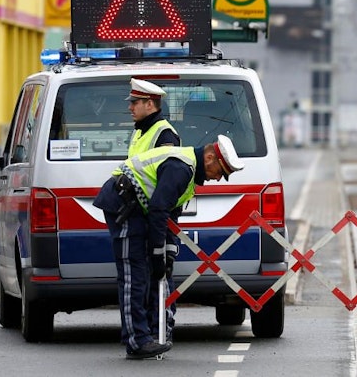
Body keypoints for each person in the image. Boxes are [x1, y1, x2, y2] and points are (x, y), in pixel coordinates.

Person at [93, 135, 245, 359]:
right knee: (133, 274)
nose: (219, 179)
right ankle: (137, 342)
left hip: (136, 207)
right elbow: (158, 209)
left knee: (142, 274)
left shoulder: (189, 175)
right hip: (124, 205)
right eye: (220, 172)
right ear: (210, 157)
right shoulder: (180, 168)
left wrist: (169, 253)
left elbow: (170, 217)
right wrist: (157, 253)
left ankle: (147, 335)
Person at [124, 77, 184, 338]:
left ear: (150, 104)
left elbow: (166, 186)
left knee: (160, 274)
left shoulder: (165, 135)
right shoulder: (141, 131)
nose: (130, 107)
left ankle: (162, 329)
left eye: (135, 102)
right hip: (141, 215)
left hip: (157, 217)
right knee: (144, 278)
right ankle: (150, 330)